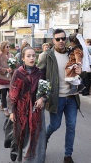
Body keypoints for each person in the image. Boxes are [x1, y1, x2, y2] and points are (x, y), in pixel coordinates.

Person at [37, 28, 84, 163]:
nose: (61, 41)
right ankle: (44, 139)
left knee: (71, 126)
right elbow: (40, 76)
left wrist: (80, 72)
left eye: (63, 38)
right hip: (55, 98)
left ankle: (67, 155)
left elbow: (82, 72)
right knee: (55, 125)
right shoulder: (47, 56)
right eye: (58, 39)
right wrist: (40, 95)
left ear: (66, 39)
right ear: (53, 40)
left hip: (72, 97)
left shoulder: (72, 54)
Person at [8, 46, 46, 162]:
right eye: (28, 56)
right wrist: (12, 111)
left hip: (36, 110)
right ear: (23, 58)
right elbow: (13, 94)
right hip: (21, 110)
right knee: (23, 135)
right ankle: (20, 155)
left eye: (33, 56)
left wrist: (42, 99)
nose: (32, 58)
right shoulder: (18, 73)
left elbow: (45, 90)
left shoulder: (39, 73)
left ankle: (36, 159)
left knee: (37, 135)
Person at [0, 41, 15, 117]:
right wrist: (5, 70)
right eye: (7, 47)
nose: (8, 48)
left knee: (11, 95)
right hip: (2, 77)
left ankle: (10, 109)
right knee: (3, 94)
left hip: (10, 78)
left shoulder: (11, 55)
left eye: (9, 46)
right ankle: (5, 109)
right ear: (3, 47)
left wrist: (12, 69)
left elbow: (15, 65)